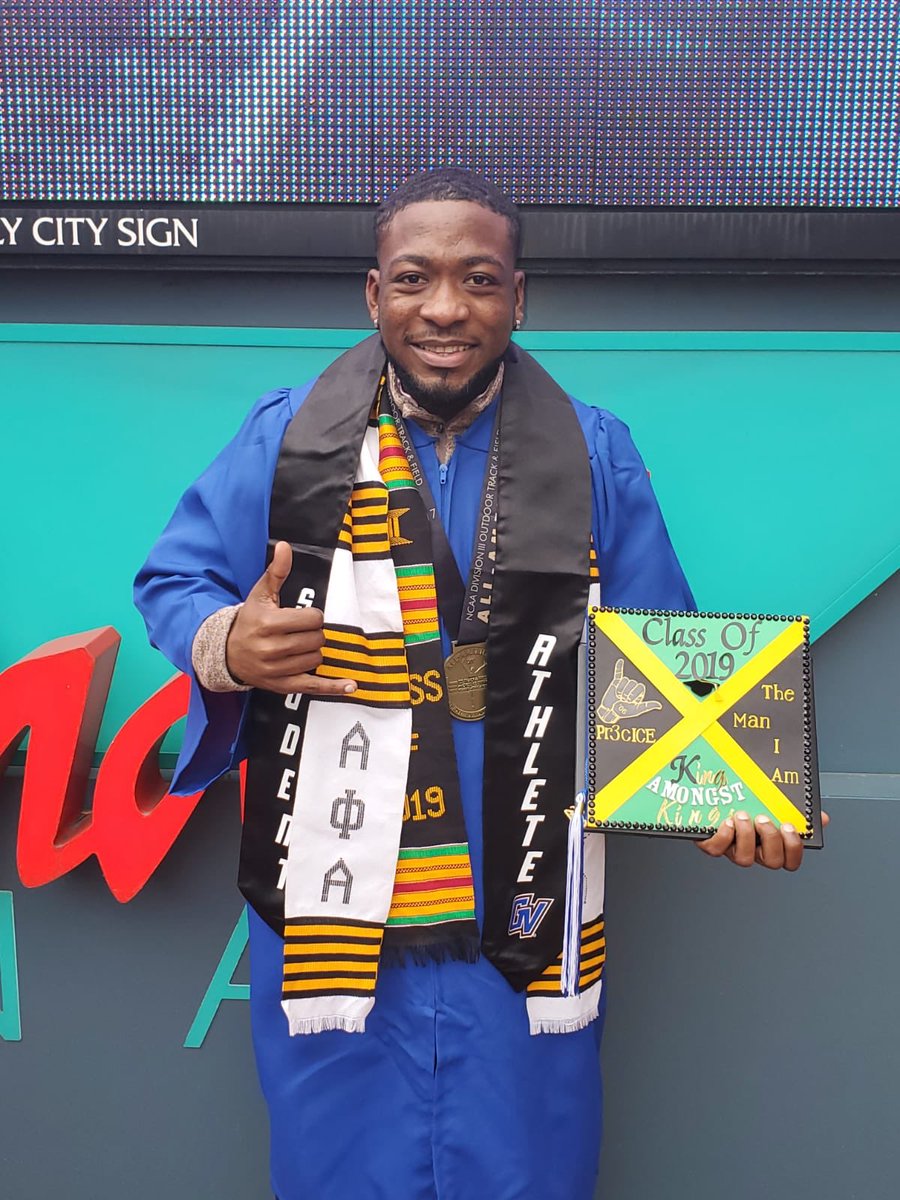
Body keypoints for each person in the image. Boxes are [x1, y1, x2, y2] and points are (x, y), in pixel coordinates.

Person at [134, 169, 817, 1200]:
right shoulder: (288, 437)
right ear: (375, 295)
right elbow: (172, 581)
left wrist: (727, 798)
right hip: (341, 908)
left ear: (519, 297)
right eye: (415, 279)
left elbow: (662, 664)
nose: (445, 308)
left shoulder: (594, 452)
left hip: (524, 897)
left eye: (478, 280)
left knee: (525, 1166)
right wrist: (228, 643)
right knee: (338, 1169)